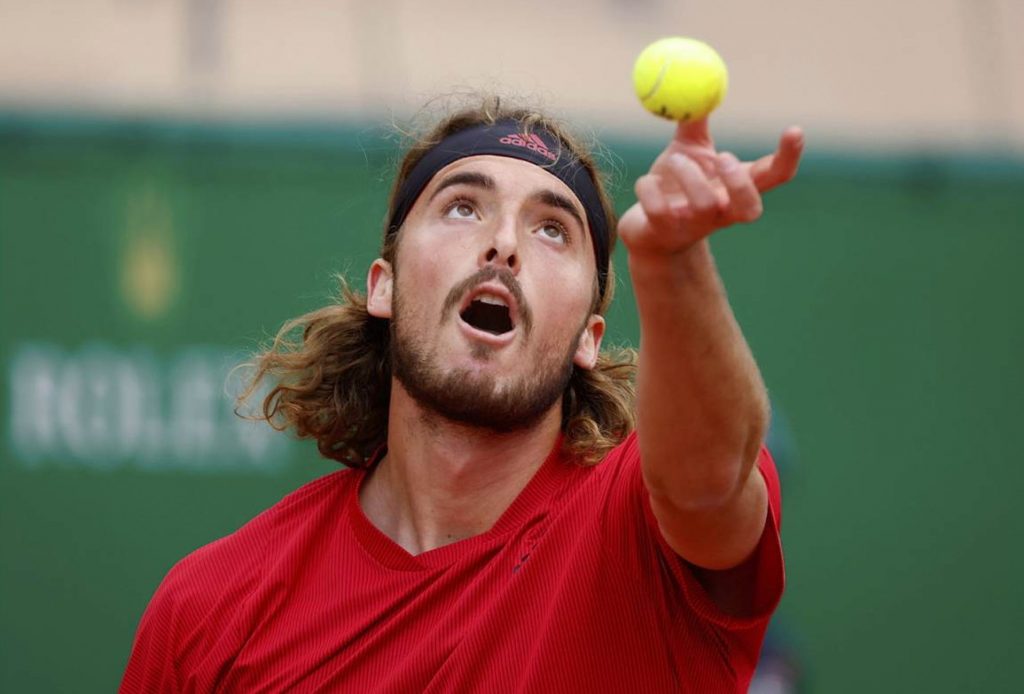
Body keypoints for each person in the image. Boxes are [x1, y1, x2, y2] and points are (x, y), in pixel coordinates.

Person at [120, 95, 804, 693]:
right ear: (383, 285)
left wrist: (671, 262)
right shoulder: (209, 609)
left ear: (588, 339)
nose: (503, 244)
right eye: (462, 207)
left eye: (551, 230)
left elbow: (710, 485)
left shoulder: (643, 531)